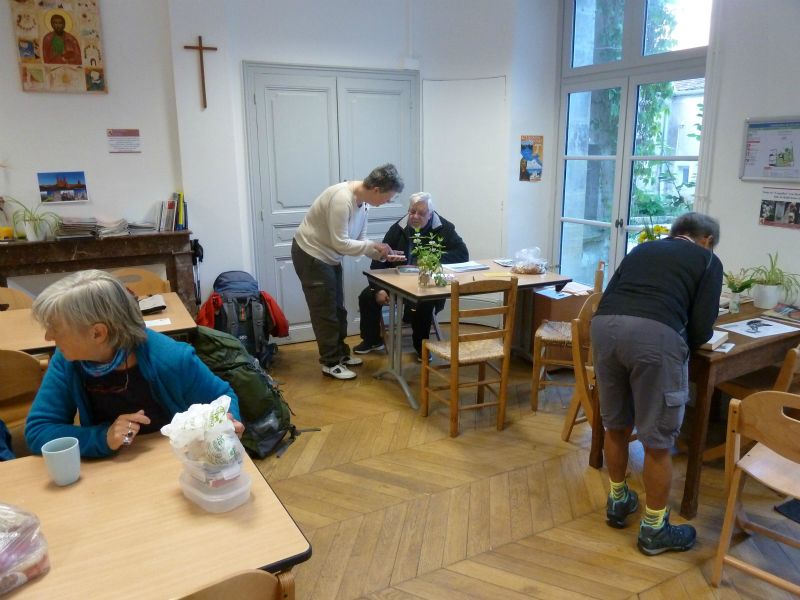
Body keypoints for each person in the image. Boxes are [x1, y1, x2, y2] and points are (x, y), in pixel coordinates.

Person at [590, 212, 722, 556]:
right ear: (705, 239)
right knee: (658, 441)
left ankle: (618, 501)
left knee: (615, 425)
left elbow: (610, 295)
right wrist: (679, 352)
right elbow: (702, 328)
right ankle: (654, 528)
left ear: (676, 233)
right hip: (655, 336)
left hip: (605, 329)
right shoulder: (707, 260)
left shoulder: (641, 250)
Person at [24, 270, 243, 458]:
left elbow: (222, 398)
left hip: (170, 461)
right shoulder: (67, 360)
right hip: (111, 470)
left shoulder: (170, 358)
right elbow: (39, 430)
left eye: (56, 329)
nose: (48, 337)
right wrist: (102, 438)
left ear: (98, 333)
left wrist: (227, 421)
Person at [291, 164, 405, 380]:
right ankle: (330, 362)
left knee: (338, 309)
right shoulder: (342, 199)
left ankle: (341, 355)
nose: (387, 202)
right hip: (311, 254)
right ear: (377, 190)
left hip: (330, 255)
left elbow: (359, 242)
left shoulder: (364, 204)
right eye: (388, 198)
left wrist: (382, 255)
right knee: (325, 312)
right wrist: (374, 246)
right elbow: (342, 243)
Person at [354, 192, 468, 359]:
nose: (415, 216)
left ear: (430, 215)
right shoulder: (398, 228)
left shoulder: (444, 228)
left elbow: (462, 254)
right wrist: (378, 288)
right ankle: (372, 340)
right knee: (366, 296)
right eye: (412, 211)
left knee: (424, 302)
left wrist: (432, 259)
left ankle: (421, 346)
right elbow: (378, 262)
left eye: (421, 213)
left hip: (427, 282)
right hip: (397, 281)